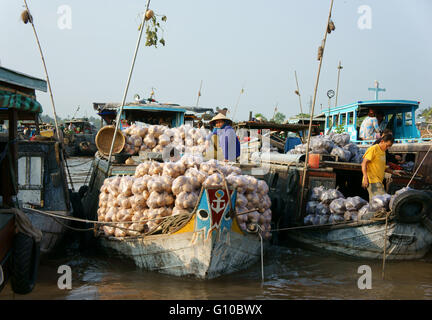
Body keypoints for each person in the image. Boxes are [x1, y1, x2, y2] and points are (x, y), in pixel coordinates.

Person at [361, 134, 402, 200]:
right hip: (372, 180)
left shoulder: (383, 152)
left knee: (376, 203)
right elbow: (364, 163)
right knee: (382, 201)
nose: (387, 148)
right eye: (387, 145)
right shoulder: (373, 149)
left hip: (378, 181)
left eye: (389, 146)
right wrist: (365, 178)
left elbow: (383, 167)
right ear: (382, 141)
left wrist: (393, 172)